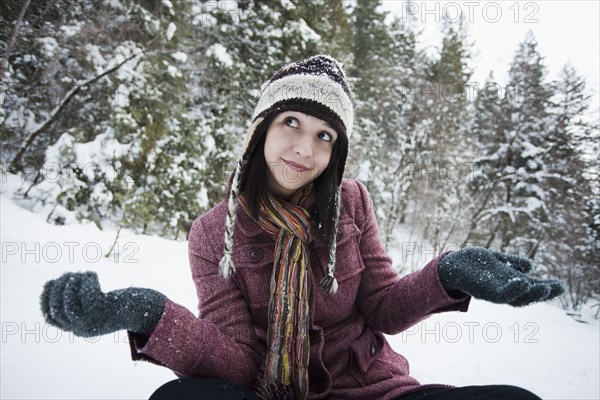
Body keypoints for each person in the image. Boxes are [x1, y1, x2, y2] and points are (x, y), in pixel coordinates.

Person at [40, 55, 564, 400]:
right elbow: (238, 358)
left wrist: (448, 273)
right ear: (261, 128)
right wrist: (150, 313)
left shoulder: (352, 203)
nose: (304, 150)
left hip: (371, 390)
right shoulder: (213, 232)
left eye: (324, 136)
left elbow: (382, 306)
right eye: (291, 122)